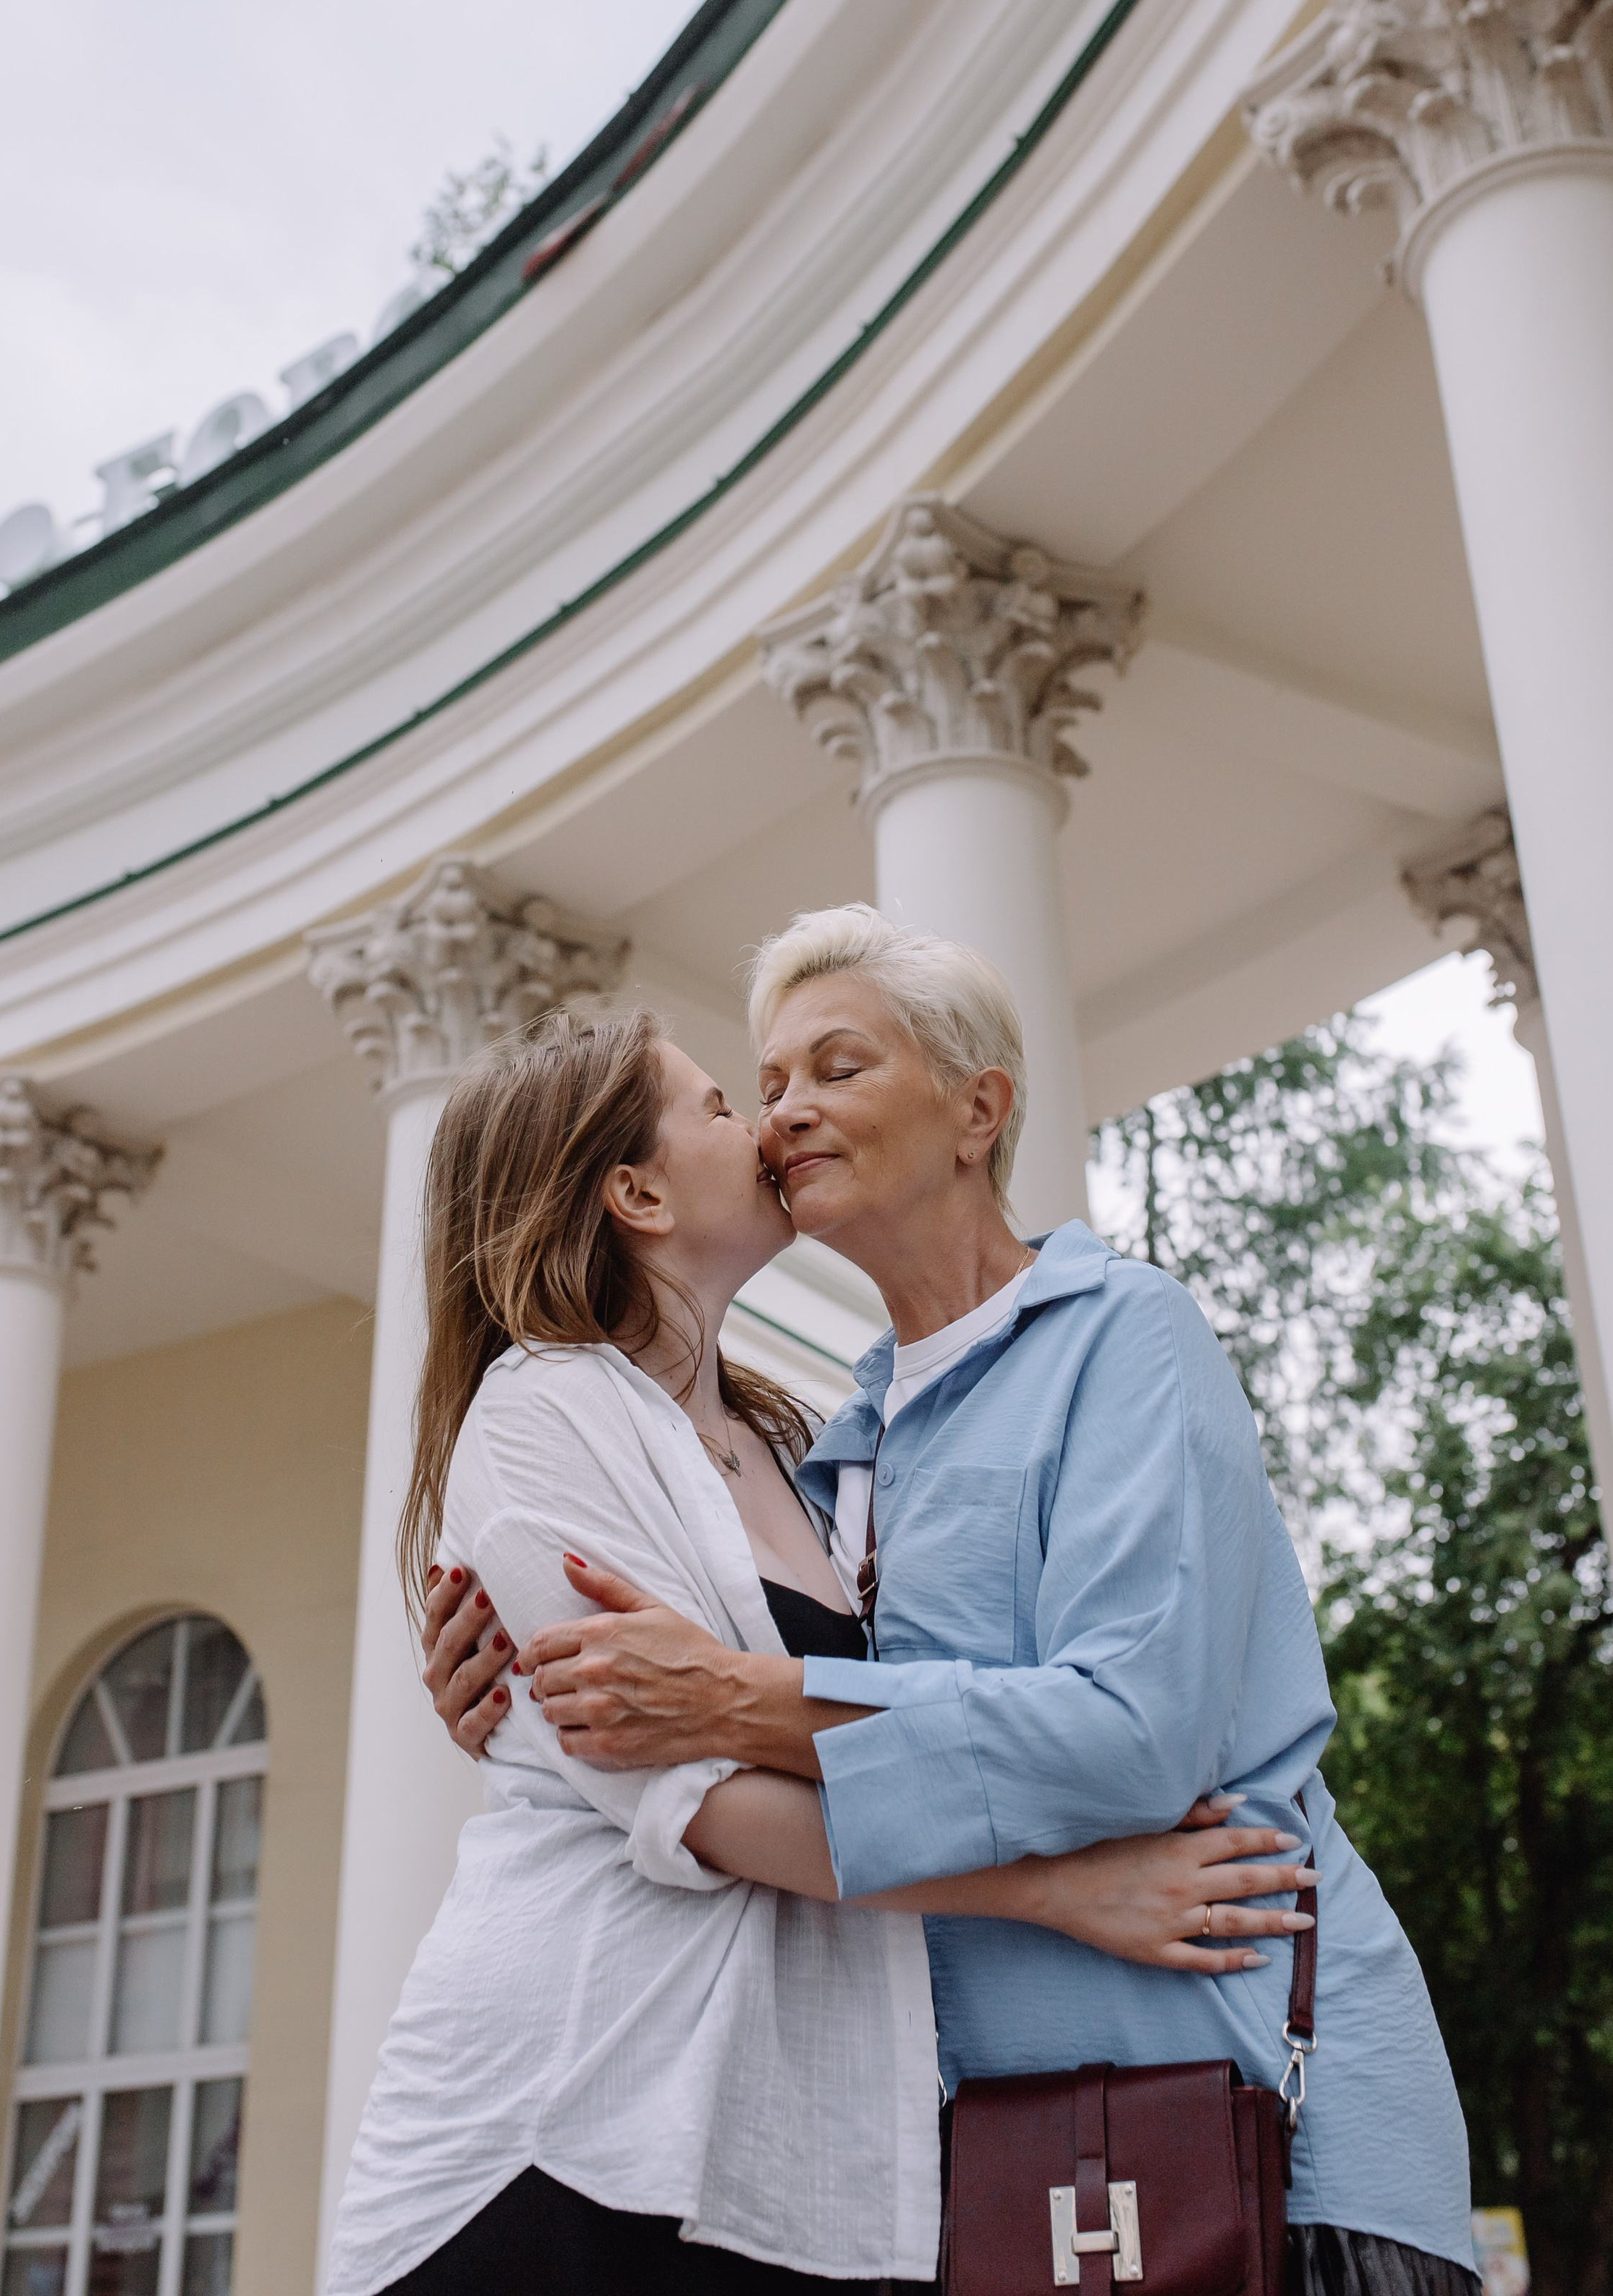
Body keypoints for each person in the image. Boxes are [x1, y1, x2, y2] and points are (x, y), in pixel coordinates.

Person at [426, 907, 1480, 2296]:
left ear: (978, 1107)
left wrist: (742, 1698)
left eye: (835, 1067)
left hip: (1267, 2118)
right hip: (984, 2173)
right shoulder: (832, 1452)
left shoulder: (1127, 1336)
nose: (783, 1113)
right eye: (768, 1081)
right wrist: (517, 1713)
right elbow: (694, 1719)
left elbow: (1133, 1737)